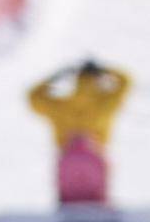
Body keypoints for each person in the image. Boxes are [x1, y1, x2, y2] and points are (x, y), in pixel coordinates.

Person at [25, 57, 130, 209]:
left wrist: (54, 78)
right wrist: (105, 70)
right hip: (96, 155)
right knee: (97, 197)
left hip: (67, 156)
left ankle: (66, 217)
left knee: (68, 198)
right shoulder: (104, 102)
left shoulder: (61, 105)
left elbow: (33, 97)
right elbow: (126, 82)